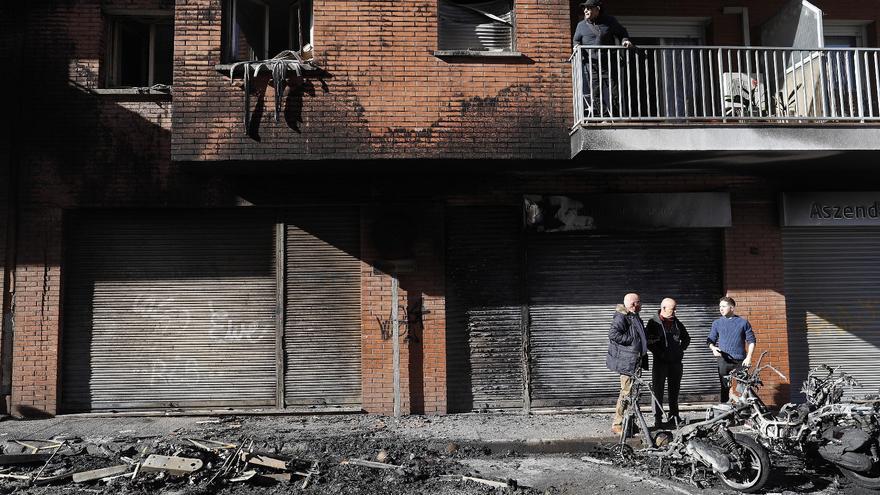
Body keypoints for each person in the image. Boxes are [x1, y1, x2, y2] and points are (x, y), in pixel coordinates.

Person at [572, 0, 633, 118]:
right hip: (592, 64)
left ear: (597, 9)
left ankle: (617, 116)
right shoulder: (581, 25)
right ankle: (603, 116)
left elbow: (622, 32)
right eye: (584, 8)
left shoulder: (609, 21)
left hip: (609, 62)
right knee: (596, 91)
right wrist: (576, 46)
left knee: (615, 91)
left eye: (589, 8)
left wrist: (625, 41)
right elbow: (576, 40)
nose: (585, 11)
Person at [607, 292, 649, 434]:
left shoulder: (634, 317)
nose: (641, 304)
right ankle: (617, 424)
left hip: (636, 361)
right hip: (627, 363)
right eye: (639, 302)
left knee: (634, 394)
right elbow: (613, 334)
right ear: (633, 304)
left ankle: (629, 424)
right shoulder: (621, 316)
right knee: (626, 393)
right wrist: (632, 341)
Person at [646, 298, 690, 427]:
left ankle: (674, 416)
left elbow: (686, 338)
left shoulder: (676, 322)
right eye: (673, 309)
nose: (675, 311)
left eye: (675, 308)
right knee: (658, 390)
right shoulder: (654, 323)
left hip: (675, 363)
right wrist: (661, 354)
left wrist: (680, 350)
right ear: (664, 308)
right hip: (660, 363)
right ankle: (658, 419)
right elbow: (649, 342)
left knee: (674, 390)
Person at [707, 296, 756, 403]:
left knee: (743, 388)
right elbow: (710, 340)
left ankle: (744, 413)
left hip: (740, 361)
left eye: (724, 306)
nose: (721, 309)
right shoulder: (717, 323)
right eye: (720, 306)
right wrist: (713, 348)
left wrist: (749, 357)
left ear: (732, 308)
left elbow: (751, 341)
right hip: (723, 361)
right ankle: (725, 413)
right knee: (724, 387)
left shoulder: (743, 322)